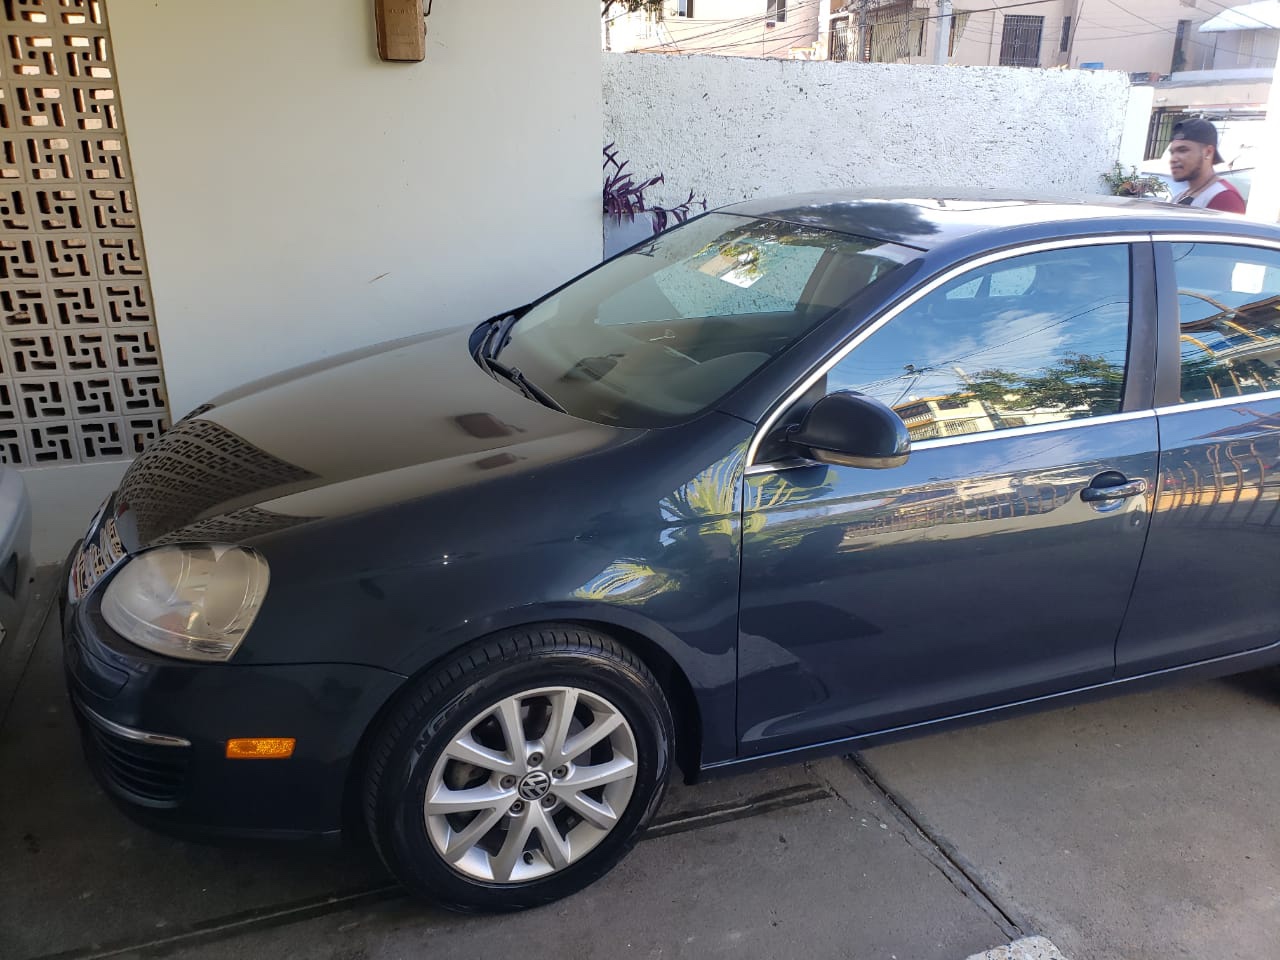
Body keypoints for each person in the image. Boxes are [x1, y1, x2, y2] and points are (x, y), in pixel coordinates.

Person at [1168, 118, 1246, 213]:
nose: (1173, 159)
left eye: (1183, 150)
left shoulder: (1225, 198)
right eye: (1172, 152)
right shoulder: (1179, 197)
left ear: (1208, 152)